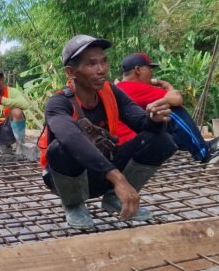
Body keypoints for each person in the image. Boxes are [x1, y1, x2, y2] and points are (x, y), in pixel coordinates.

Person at [38, 35, 177, 230]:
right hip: (68, 178)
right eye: (91, 64)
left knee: (162, 140)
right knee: (60, 148)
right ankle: (73, 204)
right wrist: (118, 178)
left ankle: (114, 198)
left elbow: (140, 122)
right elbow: (71, 139)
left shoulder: (111, 91)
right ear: (71, 72)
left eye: (104, 61)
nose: (101, 69)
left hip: (102, 171)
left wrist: (154, 120)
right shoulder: (58, 103)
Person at [116, 52, 219, 164]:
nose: (152, 73)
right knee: (172, 111)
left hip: (129, 146)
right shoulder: (132, 87)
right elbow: (177, 99)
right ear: (138, 70)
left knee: (161, 118)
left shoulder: (121, 88)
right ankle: (205, 153)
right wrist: (168, 85)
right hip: (135, 146)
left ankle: (205, 147)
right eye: (149, 69)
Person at [0, 67, 32, 157]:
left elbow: (25, 105)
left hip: (7, 130)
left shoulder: (12, 92)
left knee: (17, 111)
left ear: (3, 79)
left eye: (0, 79)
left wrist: (2, 100)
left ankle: (20, 146)